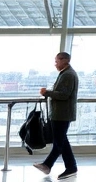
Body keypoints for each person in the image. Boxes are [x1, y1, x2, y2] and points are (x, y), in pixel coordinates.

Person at [34, 52, 80, 180]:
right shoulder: (66, 73)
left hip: (62, 114)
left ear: (64, 60)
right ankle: (71, 167)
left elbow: (63, 94)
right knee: (62, 141)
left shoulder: (68, 75)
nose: (55, 64)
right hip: (60, 113)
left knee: (59, 142)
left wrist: (47, 93)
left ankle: (47, 164)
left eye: (57, 61)